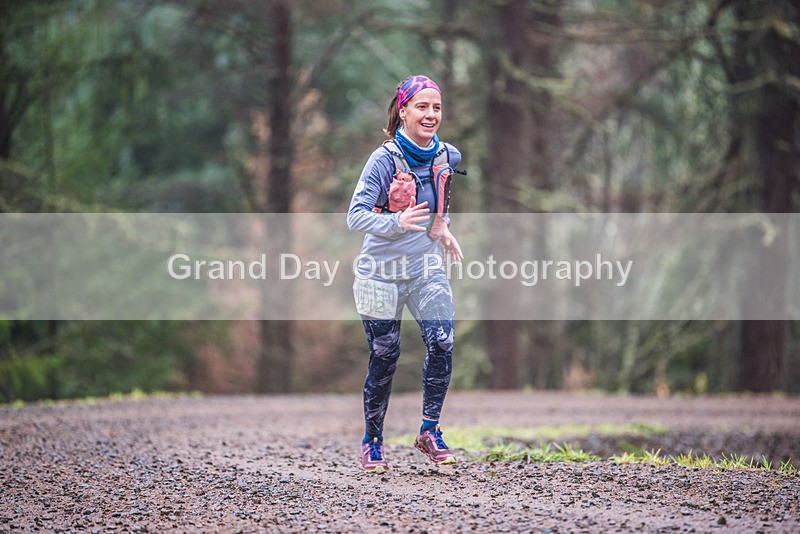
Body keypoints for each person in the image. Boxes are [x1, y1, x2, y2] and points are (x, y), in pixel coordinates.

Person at [347, 75, 465, 473]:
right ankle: (373, 441)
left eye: (436, 107)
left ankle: (429, 431)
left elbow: (442, 195)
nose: (431, 114)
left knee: (443, 339)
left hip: (424, 269)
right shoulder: (384, 159)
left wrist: (442, 226)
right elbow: (355, 216)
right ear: (403, 111)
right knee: (385, 356)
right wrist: (397, 221)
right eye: (422, 107)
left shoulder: (447, 155)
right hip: (378, 273)